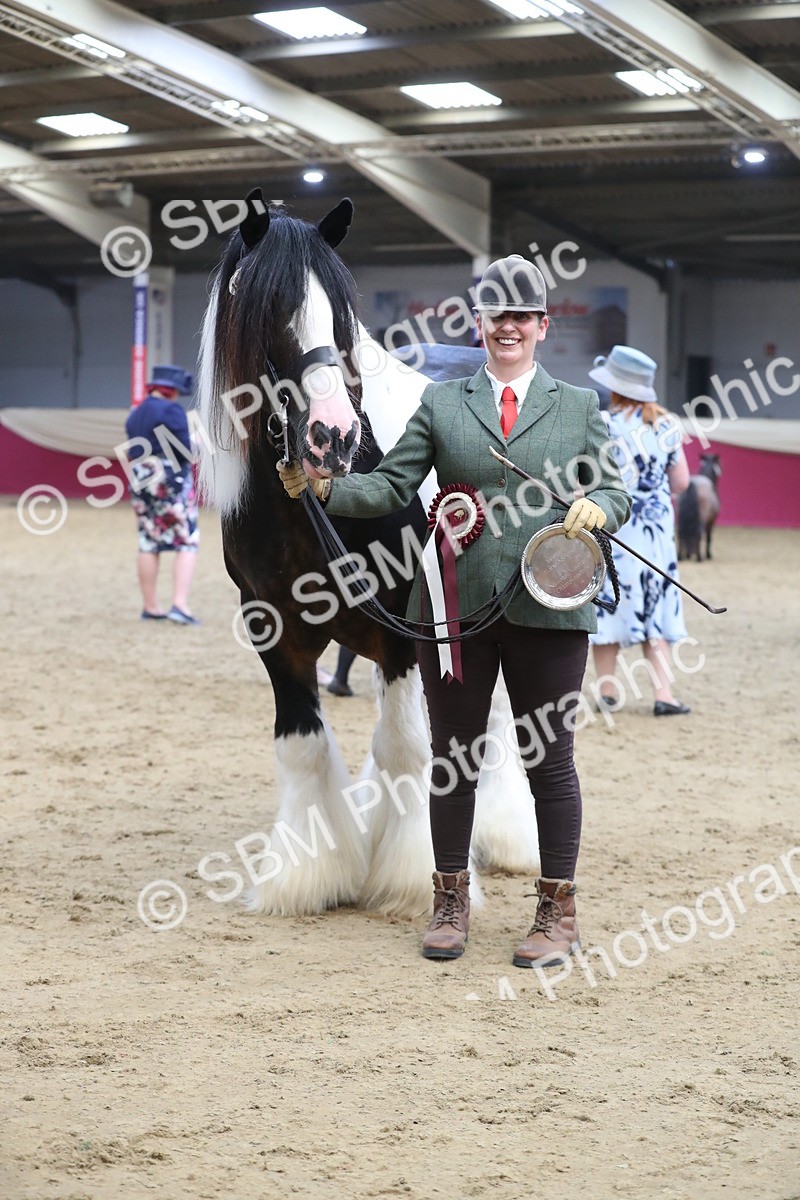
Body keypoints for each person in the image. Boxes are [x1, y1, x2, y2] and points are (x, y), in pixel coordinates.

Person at [278, 255, 631, 967]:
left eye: (520, 317)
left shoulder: (580, 407)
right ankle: (450, 903)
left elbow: (618, 493)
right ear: (480, 324)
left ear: (541, 325)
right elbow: (388, 488)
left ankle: (556, 913)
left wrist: (601, 508)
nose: (507, 327)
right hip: (457, 608)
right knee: (453, 761)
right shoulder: (442, 404)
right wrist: (322, 490)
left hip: (549, 607)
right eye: (495, 316)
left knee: (550, 763)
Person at [587, 346, 691, 716]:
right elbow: (681, 482)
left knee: (610, 599)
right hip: (657, 532)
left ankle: (608, 691)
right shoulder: (667, 425)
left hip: (617, 526)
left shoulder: (604, 423)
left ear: (614, 386)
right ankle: (663, 694)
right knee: (656, 604)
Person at [125, 365, 200, 625]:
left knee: (148, 541)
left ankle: (151, 606)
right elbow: (184, 450)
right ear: (171, 390)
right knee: (187, 540)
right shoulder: (171, 410)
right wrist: (198, 443)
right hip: (169, 475)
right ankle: (179, 604)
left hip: (140, 473)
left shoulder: (136, 414)